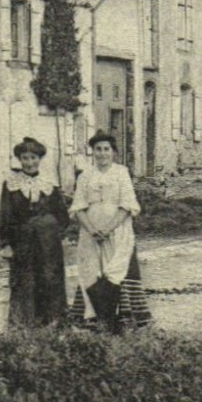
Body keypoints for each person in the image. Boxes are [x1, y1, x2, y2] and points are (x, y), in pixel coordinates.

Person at [69, 131, 152, 333]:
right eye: (98, 149)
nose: (102, 153)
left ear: (113, 152)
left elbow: (127, 205)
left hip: (118, 231)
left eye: (106, 149)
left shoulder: (121, 173)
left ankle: (124, 320)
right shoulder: (85, 176)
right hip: (90, 233)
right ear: (92, 152)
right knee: (91, 271)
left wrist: (107, 229)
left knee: (118, 271)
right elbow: (78, 207)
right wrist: (91, 229)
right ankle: (94, 320)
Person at [0, 137, 70, 329]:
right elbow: (5, 215)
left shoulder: (49, 184)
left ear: (40, 159)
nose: (29, 162)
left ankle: (52, 321)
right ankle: (23, 324)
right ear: (20, 160)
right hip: (22, 241)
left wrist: (51, 230)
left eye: (33, 158)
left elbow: (62, 214)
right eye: (25, 158)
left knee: (49, 276)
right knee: (24, 279)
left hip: (48, 242)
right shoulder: (11, 185)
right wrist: (6, 243)